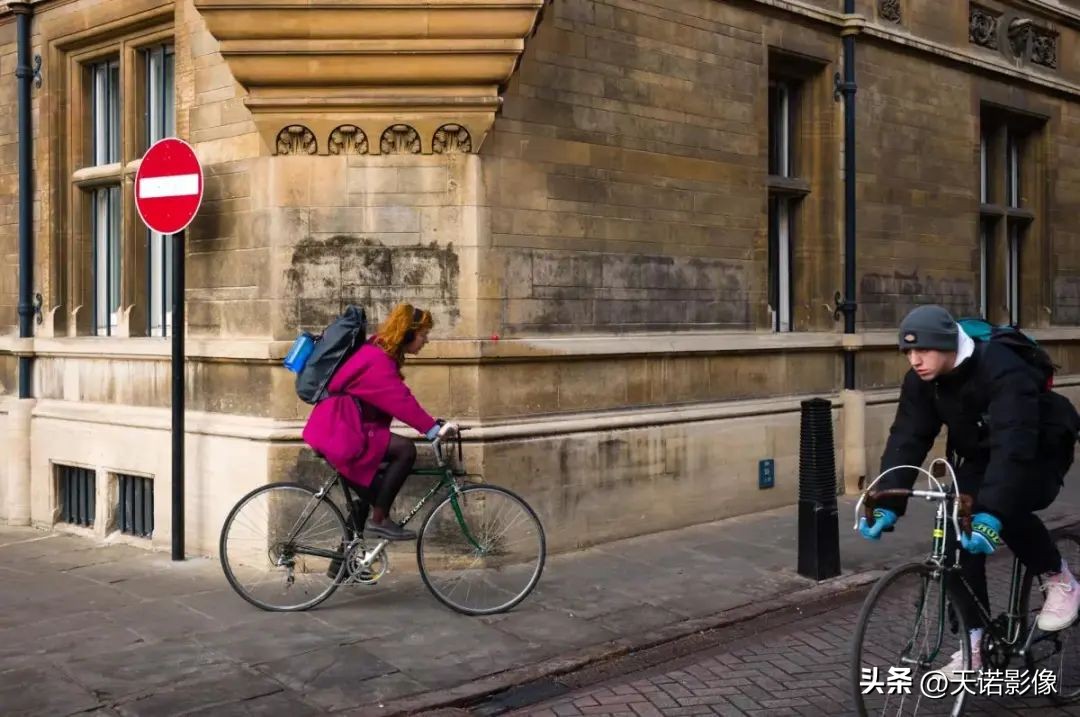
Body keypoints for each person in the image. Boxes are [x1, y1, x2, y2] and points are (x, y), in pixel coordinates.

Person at [860, 304, 1080, 675]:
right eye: (908, 352)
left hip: (1038, 450)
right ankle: (972, 644)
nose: (915, 360)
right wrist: (887, 501)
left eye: (923, 350)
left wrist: (991, 514)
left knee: (1000, 508)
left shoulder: (1002, 368)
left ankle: (1060, 578)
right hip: (982, 453)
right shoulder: (921, 381)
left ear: (948, 345)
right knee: (952, 526)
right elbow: (908, 437)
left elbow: (1014, 446)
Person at [303, 303, 448, 541]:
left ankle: (342, 565)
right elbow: (399, 400)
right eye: (423, 335)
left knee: (372, 492)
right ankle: (379, 521)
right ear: (408, 334)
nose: (426, 340)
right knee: (405, 450)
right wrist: (432, 429)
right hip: (339, 431)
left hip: (342, 429)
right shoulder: (377, 359)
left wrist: (434, 425)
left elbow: (395, 397)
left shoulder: (379, 351)